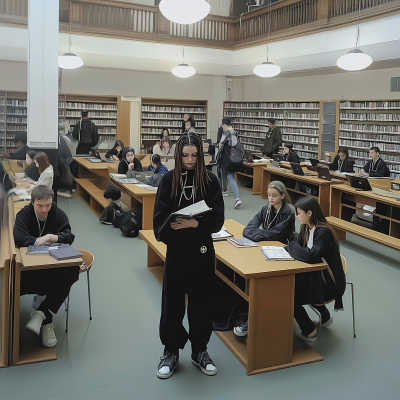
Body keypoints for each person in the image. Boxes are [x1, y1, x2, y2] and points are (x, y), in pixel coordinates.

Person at [153, 132, 224, 379]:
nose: (190, 160)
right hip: (177, 252)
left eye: (195, 155)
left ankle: (199, 350)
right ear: (177, 154)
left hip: (203, 252)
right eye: (185, 155)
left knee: (202, 302)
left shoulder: (212, 181)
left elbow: (217, 221)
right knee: (172, 303)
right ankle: (170, 351)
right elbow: (158, 223)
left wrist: (194, 224)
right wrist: (177, 225)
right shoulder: (167, 180)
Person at [13, 185, 80, 348]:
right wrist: (38, 241)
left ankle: (42, 313)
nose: (44, 209)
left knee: (73, 270)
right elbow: (20, 238)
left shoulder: (56, 213)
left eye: (48, 205)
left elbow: (69, 236)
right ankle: (46, 316)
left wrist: (52, 237)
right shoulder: (24, 214)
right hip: (30, 269)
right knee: (49, 281)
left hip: (52, 263)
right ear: (32, 203)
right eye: (40, 205)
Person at [235, 181, 297, 337]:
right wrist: (255, 234)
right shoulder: (266, 209)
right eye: (269, 195)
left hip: (282, 248)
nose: (270, 198)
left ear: (282, 196)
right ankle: (243, 312)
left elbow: (277, 234)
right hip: (263, 245)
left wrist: (255, 235)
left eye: (274, 195)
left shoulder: (288, 211)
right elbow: (249, 227)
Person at [285, 196, 346, 342]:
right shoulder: (307, 228)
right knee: (292, 285)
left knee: (287, 294)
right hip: (317, 277)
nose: (297, 216)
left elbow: (310, 256)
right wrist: (293, 246)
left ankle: (309, 330)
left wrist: (292, 246)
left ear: (309, 213)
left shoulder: (323, 232)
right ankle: (324, 317)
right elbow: (298, 248)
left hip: (328, 283)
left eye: (299, 213)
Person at [218, 118, 242, 209]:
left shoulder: (227, 133)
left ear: (224, 124)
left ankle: (236, 197)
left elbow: (221, 143)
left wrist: (218, 155)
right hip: (234, 158)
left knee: (227, 175)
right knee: (230, 176)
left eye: (222, 126)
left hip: (227, 158)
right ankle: (236, 197)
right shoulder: (235, 133)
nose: (222, 127)